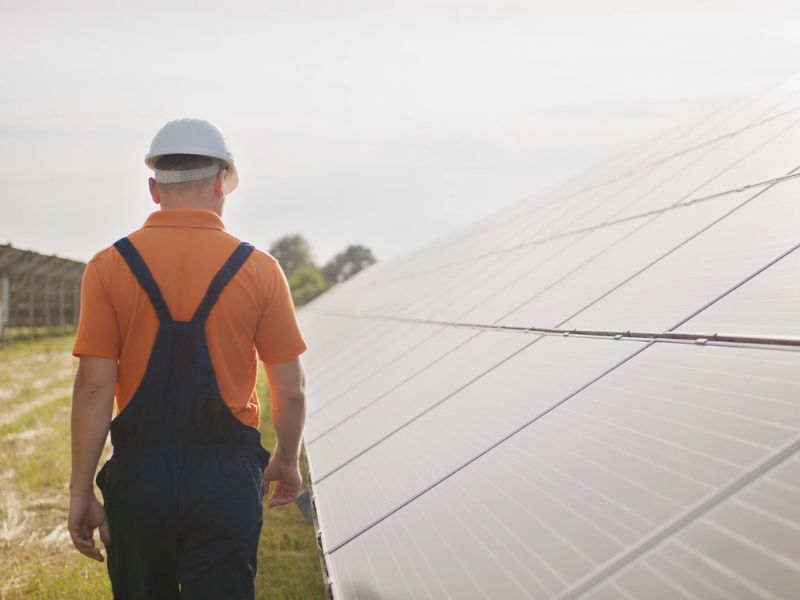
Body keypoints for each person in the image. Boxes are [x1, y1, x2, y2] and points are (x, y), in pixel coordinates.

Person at [67, 118, 308, 599]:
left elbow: (94, 387)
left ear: (154, 189)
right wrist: (286, 456)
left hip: (139, 478)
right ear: (222, 182)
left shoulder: (108, 267)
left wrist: (80, 491)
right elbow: (290, 387)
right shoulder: (260, 270)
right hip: (225, 481)